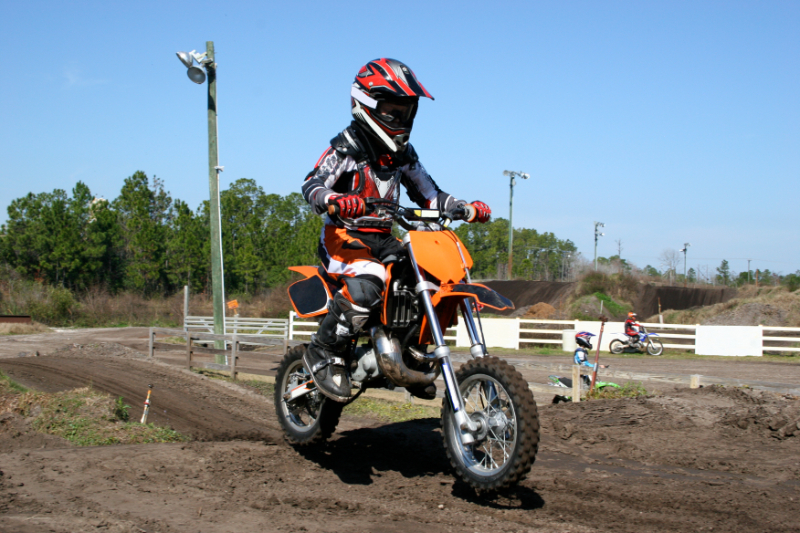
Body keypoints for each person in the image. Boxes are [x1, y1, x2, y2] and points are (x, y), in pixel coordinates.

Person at [300, 58, 492, 402]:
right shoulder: (345, 147)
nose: (401, 120)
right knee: (371, 279)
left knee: (423, 273)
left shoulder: (403, 154)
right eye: (393, 111)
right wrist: (335, 200)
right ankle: (323, 352)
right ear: (367, 106)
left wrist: (464, 207)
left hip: (383, 239)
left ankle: (412, 352)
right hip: (343, 238)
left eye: (407, 111)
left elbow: (430, 194)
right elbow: (312, 184)